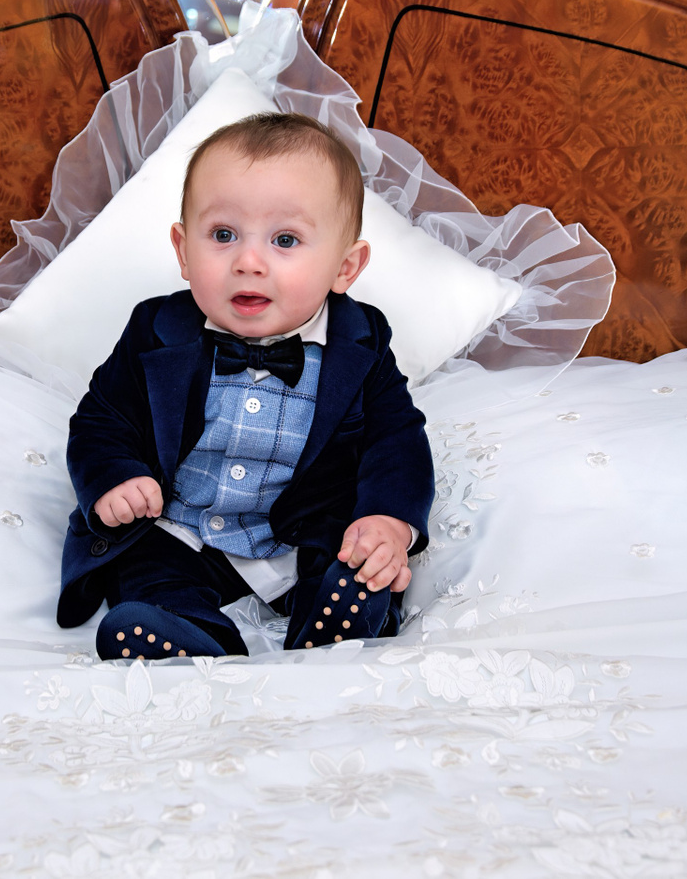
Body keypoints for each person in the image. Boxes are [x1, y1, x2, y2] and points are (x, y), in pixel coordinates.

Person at [56, 112, 434, 659]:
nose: (248, 262)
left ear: (345, 267)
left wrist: (390, 520)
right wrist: (116, 478)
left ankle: (337, 616)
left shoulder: (362, 343)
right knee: (147, 572)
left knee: (357, 559)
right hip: (180, 529)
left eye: (285, 239)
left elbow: (396, 440)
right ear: (183, 251)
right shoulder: (156, 330)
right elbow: (102, 418)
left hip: (300, 535)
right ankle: (192, 634)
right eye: (223, 235)